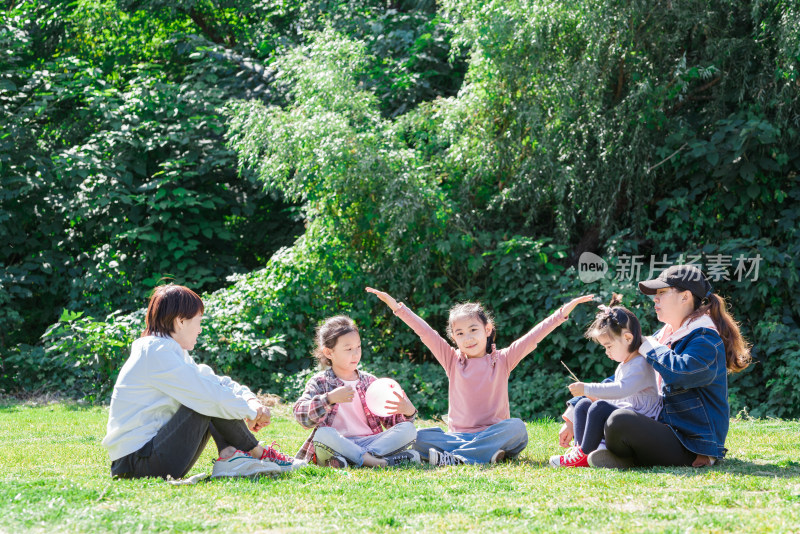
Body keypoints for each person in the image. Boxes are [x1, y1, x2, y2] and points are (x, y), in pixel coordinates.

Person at [367, 287, 594, 466]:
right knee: (419, 437)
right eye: (460, 333)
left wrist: (563, 312)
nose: (468, 338)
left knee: (516, 428)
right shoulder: (452, 360)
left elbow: (533, 337)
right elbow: (425, 333)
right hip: (458, 438)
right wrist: (397, 307)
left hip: (496, 434)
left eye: (473, 330)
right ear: (454, 338)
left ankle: (462, 457)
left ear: (487, 330)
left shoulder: (503, 359)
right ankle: (482, 455)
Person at [102, 284, 299, 479]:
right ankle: (258, 454)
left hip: (147, 457)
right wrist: (252, 413)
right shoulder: (156, 352)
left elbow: (216, 382)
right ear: (180, 321)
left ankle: (230, 456)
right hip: (137, 464)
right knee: (205, 399)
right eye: (198, 321)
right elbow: (208, 395)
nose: (200, 329)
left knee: (207, 393)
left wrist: (251, 401)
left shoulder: (168, 350)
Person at [588, 265, 751, 468]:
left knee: (619, 420)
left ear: (685, 297)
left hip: (690, 443)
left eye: (662, 293)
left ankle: (626, 457)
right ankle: (623, 457)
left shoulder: (705, 338)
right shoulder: (662, 337)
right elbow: (629, 377)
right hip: (662, 427)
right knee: (595, 408)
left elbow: (682, 373)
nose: (655, 299)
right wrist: (586, 395)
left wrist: (651, 348)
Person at [549, 294, 661, 467]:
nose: (607, 352)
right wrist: (592, 396)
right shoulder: (625, 364)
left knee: (598, 406)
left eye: (609, 346)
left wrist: (588, 389)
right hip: (627, 415)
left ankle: (584, 453)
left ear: (628, 338)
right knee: (583, 404)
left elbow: (622, 389)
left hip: (642, 423)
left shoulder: (640, 364)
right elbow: (621, 397)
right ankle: (580, 451)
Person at [293, 315, 420, 468]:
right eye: (348, 349)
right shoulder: (320, 382)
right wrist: (329, 399)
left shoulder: (370, 382)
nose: (356, 354)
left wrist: (408, 411)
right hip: (338, 443)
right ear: (328, 352)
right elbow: (301, 416)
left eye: (358, 347)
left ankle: (361, 459)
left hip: (370, 442)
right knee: (322, 434)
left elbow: (393, 425)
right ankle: (378, 461)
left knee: (408, 429)